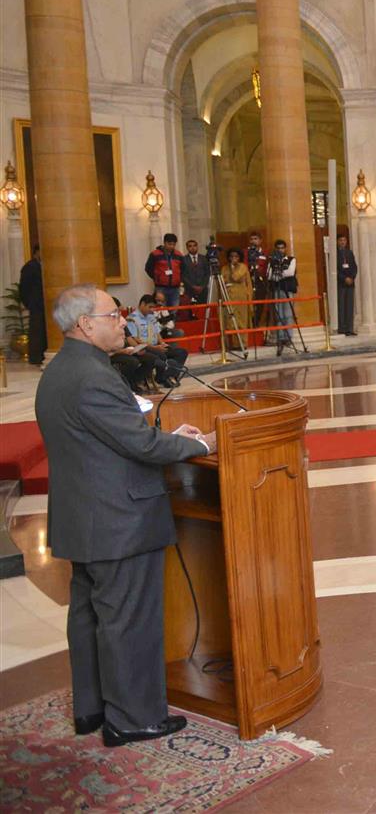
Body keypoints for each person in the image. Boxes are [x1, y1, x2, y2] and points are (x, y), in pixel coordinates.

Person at [35, 284, 216, 747]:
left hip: (85, 518)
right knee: (128, 621)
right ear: (84, 325)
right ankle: (134, 718)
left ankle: (92, 709)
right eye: (113, 315)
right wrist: (198, 445)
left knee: (90, 617)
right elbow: (139, 445)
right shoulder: (93, 376)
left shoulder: (62, 370)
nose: (123, 322)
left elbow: (109, 438)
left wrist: (166, 433)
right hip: (118, 520)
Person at [125, 295, 186, 387]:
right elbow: (134, 339)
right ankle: (162, 378)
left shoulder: (151, 317)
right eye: (150, 307)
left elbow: (157, 333)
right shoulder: (132, 318)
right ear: (142, 304)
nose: (152, 310)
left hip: (157, 346)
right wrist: (154, 347)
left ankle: (170, 376)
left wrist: (162, 343)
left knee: (181, 352)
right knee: (160, 354)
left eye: (153, 307)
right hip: (145, 347)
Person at [266, 239, 298, 352]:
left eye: (282, 248)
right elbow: (269, 275)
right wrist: (278, 275)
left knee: (288, 313)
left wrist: (279, 275)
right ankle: (281, 337)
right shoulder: (272, 261)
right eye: (278, 248)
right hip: (276, 289)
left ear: (285, 249)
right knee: (278, 313)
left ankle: (288, 337)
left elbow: (290, 272)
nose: (280, 250)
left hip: (287, 289)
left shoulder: (291, 259)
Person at [221, 248, 252, 352]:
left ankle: (242, 344)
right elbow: (222, 281)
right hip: (228, 296)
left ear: (239, 257)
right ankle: (233, 344)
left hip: (240, 296)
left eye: (236, 256)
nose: (233, 258)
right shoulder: (225, 267)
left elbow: (235, 277)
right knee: (230, 321)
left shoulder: (242, 267)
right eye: (231, 256)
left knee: (241, 320)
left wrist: (233, 267)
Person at [20, 244, 45, 366]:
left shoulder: (47, 266)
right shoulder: (29, 267)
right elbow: (24, 289)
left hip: (47, 305)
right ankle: (36, 358)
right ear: (36, 252)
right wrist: (30, 303)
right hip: (36, 305)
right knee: (37, 332)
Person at [143, 233, 184, 308]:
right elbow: (148, 268)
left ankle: (173, 320)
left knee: (174, 310)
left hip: (175, 288)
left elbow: (183, 269)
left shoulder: (179, 255)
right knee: (161, 311)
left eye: (174, 244)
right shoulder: (155, 254)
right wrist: (157, 277)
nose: (172, 246)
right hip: (161, 288)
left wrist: (180, 280)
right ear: (164, 243)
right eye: (169, 244)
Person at [335, 234, 358, 336]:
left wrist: (352, 278)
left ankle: (350, 328)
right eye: (340, 240)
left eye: (344, 240)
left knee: (349, 306)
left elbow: (354, 267)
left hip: (350, 284)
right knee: (341, 306)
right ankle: (342, 329)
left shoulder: (349, 252)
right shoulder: (335, 253)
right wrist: (344, 278)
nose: (343, 242)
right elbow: (334, 270)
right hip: (341, 284)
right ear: (337, 241)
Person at [180, 239, 210, 317]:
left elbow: (207, 273)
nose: (192, 248)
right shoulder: (184, 259)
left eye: (194, 246)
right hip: (189, 289)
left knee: (203, 309)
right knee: (190, 311)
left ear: (197, 247)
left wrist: (202, 286)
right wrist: (192, 286)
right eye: (190, 246)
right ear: (187, 248)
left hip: (202, 289)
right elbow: (183, 275)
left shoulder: (203, 258)